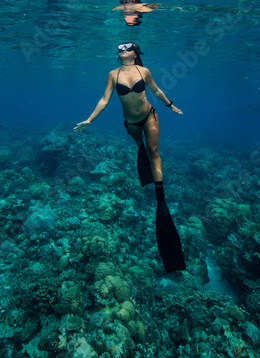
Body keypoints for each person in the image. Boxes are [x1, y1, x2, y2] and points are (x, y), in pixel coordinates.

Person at [74, 42, 186, 273]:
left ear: (136, 52)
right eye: (120, 47)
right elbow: (104, 100)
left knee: (154, 150)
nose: (122, 49)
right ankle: (141, 152)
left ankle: (160, 197)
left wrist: (169, 105)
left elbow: (155, 90)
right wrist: (89, 120)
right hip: (132, 123)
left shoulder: (143, 71)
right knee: (140, 146)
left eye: (128, 47)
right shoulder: (112, 75)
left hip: (149, 115)